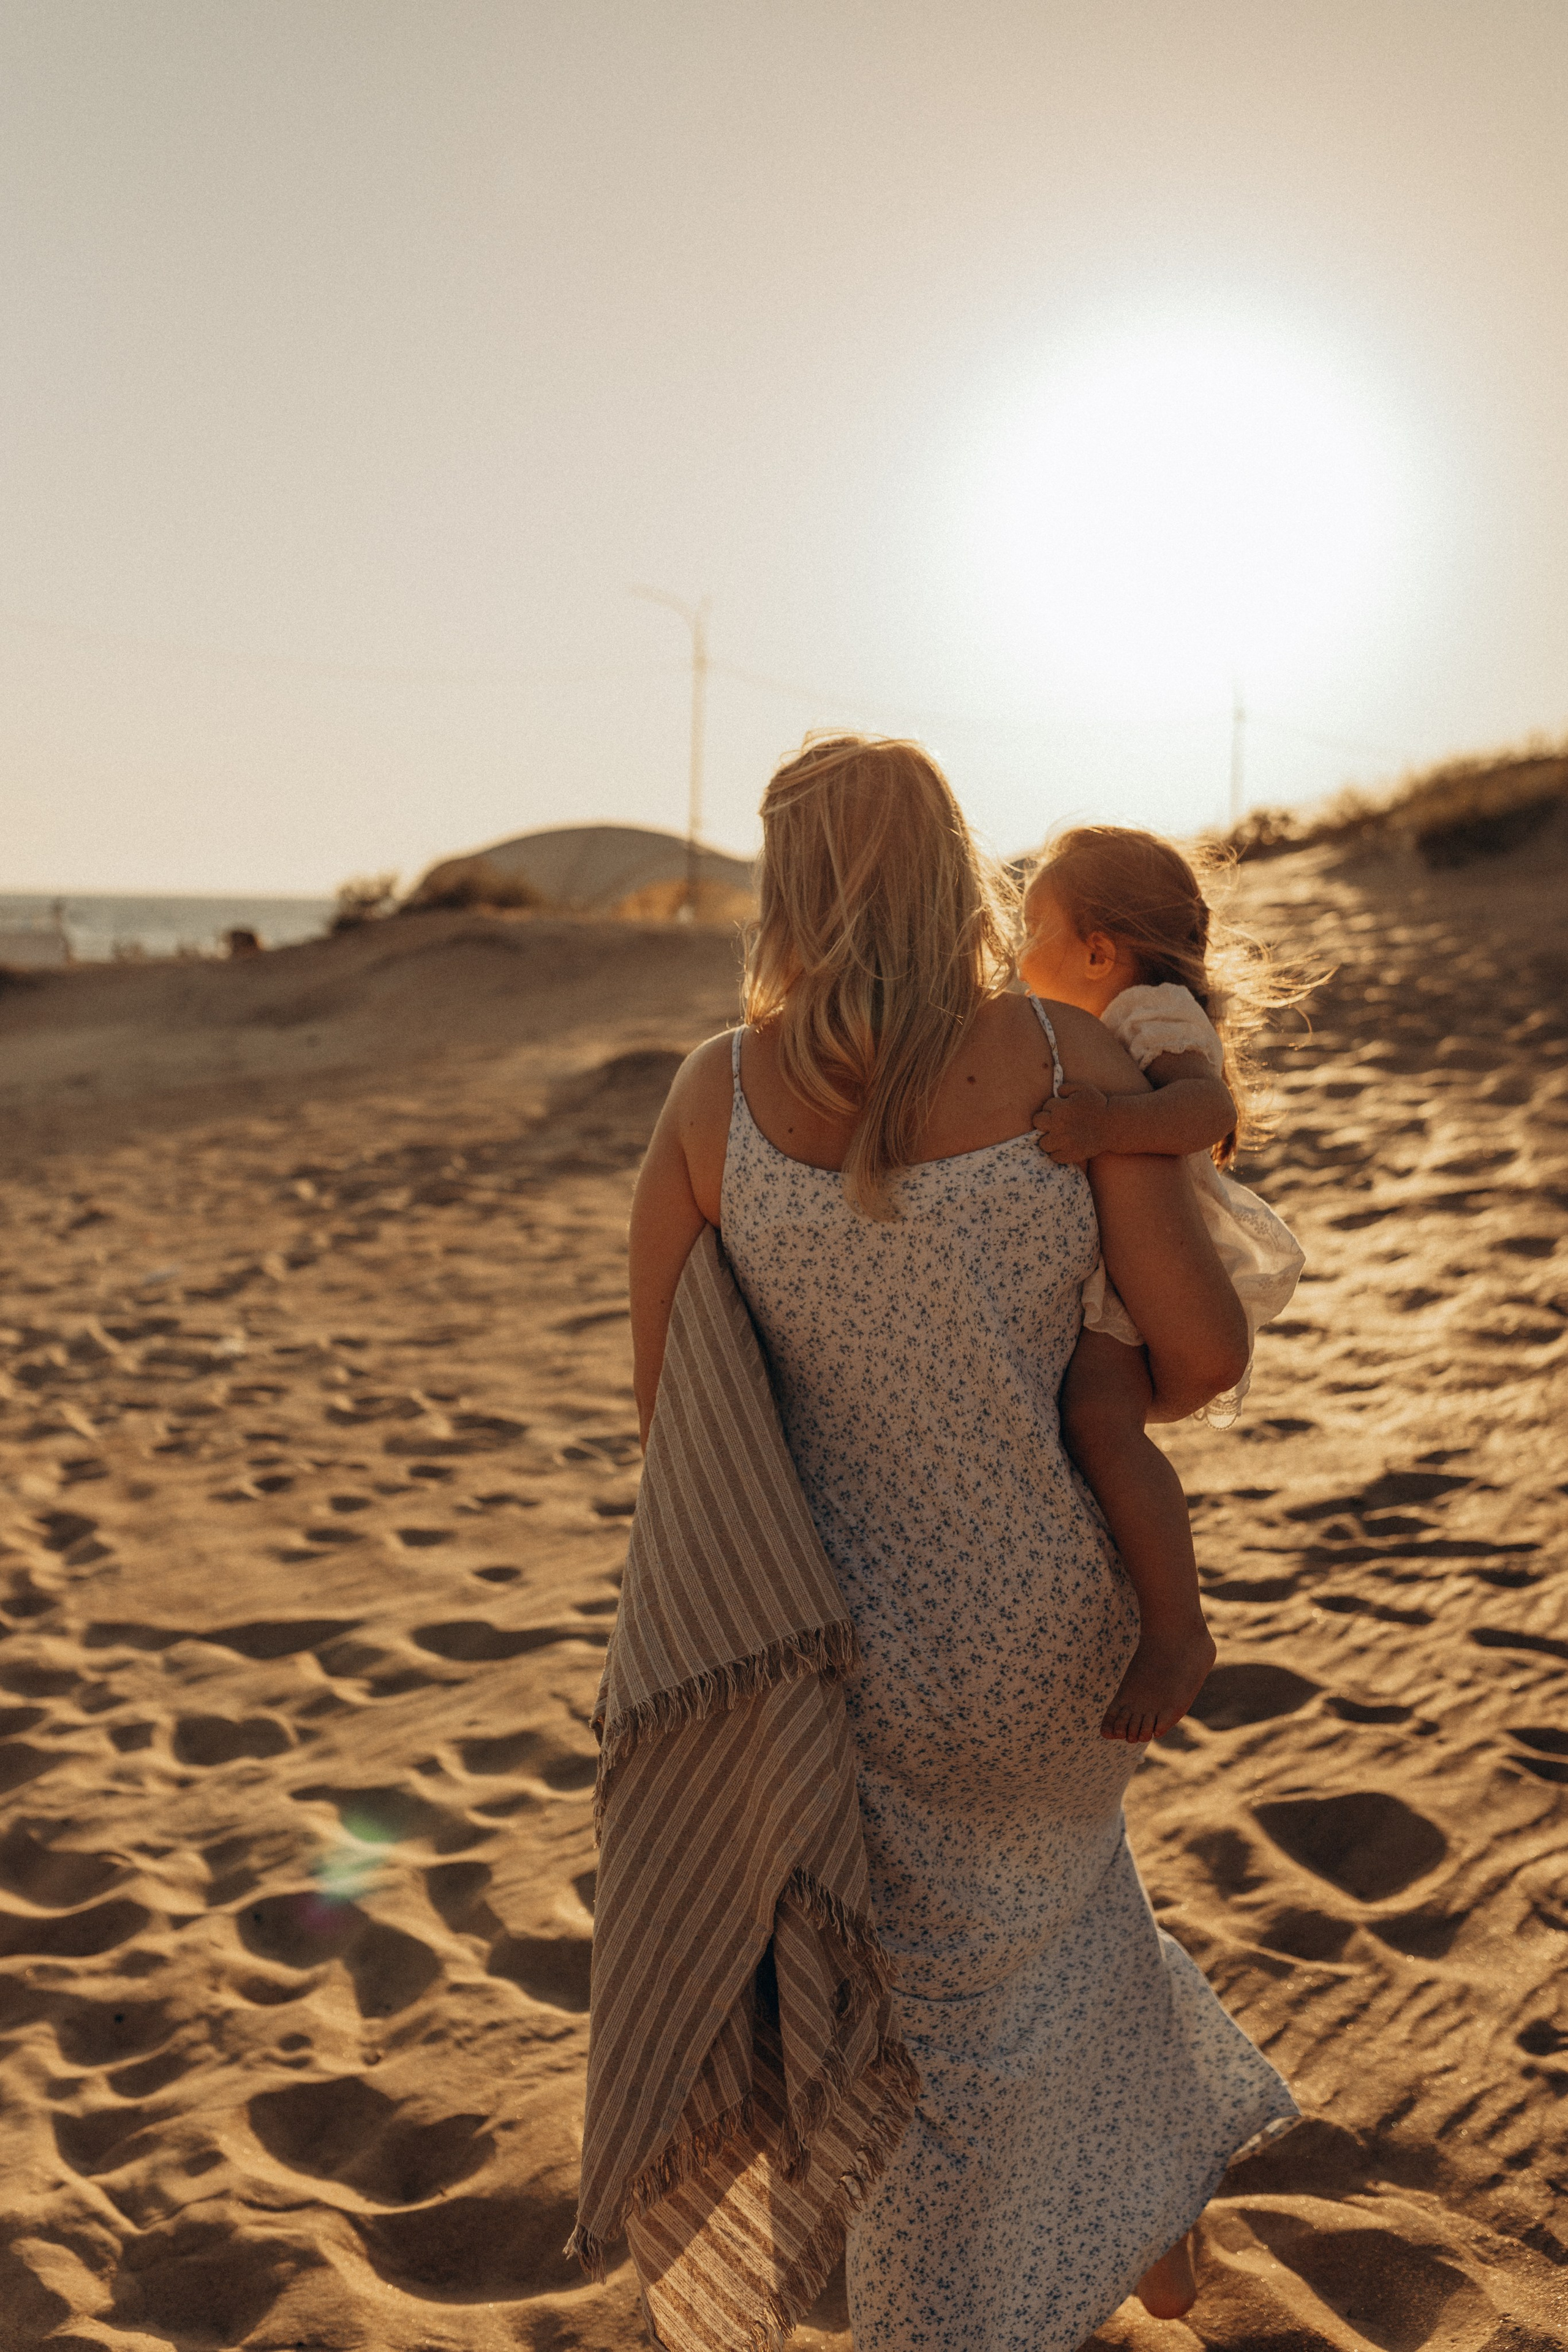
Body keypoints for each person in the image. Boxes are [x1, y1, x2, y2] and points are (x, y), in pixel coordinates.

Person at [629, 735, 1297, 2351]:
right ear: (956, 867)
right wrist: (1072, 1367)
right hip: (1067, 1627)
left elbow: (674, 1419)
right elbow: (1204, 1356)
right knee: (1055, 1906)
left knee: (929, 2027)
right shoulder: (1070, 1061)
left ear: (787, 884)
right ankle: (1150, 2233)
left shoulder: (714, 1096)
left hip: (838, 1654)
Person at [1022, 826, 1306, 1744]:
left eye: (1032, 927)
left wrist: (1108, 1122)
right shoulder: (1113, 1013)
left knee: (1102, 1423)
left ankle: (1179, 1630)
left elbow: (1207, 1109)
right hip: (1118, 1268)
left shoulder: (1149, 1010)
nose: (1015, 949)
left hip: (1154, 1269)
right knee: (1092, 1423)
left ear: (1098, 949)